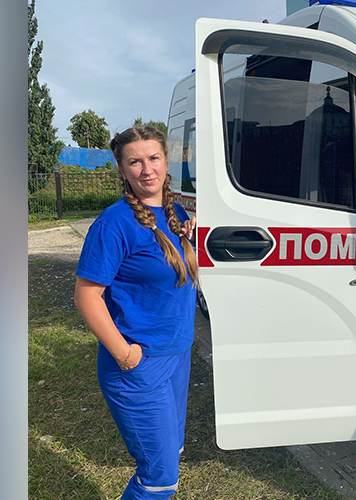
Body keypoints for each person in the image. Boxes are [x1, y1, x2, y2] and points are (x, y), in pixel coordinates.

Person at [74, 125, 197, 499]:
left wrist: (192, 233)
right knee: (159, 479)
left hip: (177, 355)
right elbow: (87, 296)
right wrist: (125, 355)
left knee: (171, 454)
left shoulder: (175, 213)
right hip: (138, 365)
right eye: (135, 162)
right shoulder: (113, 223)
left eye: (153, 158)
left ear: (166, 161)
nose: (147, 170)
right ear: (122, 170)